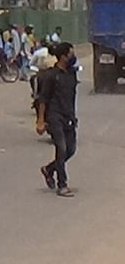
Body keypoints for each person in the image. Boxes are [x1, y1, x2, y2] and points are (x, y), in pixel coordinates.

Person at [36, 42, 79, 198]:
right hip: (54, 117)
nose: (73, 57)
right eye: (71, 54)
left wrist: (73, 117)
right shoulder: (51, 76)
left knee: (71, 150)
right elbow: (43, 99)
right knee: (61, 149)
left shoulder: (72, 74)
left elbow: (72, 98)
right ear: (63, 56)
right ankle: (62, 185)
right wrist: (41, 120)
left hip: (68, 117)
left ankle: (49, 169)